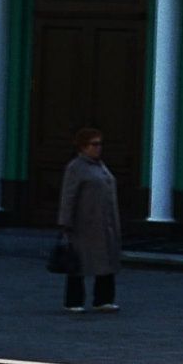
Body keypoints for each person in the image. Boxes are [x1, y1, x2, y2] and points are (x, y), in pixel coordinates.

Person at [56, 126, 121, 315]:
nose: (98, 148)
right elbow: (68, 196)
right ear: (83, 146)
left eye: (100, 144)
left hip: (104, 223)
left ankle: (103, 299)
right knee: (78, 263)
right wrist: (65, 222)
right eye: (94, 144)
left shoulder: (100, 165)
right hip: (84, 224)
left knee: (106, 262)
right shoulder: (76, 167)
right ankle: (73, 301)